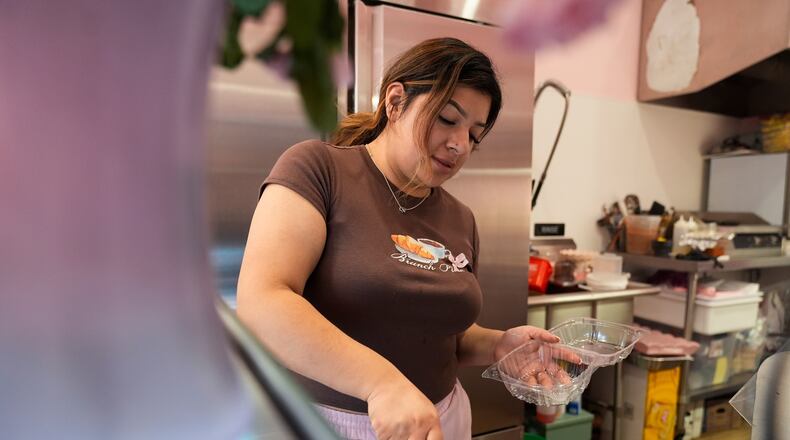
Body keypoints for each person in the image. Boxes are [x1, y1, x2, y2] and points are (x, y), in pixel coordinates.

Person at [237, 37, 567, 440]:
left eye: (475, 134)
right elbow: (263, 300)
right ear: (395, 102)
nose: (459, 144)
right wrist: (381, 383)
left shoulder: (461, 219)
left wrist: (500, 345)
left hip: (442, 420)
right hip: (333, 422)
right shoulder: (318, 170)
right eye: (447, 118)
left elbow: (446, 334)